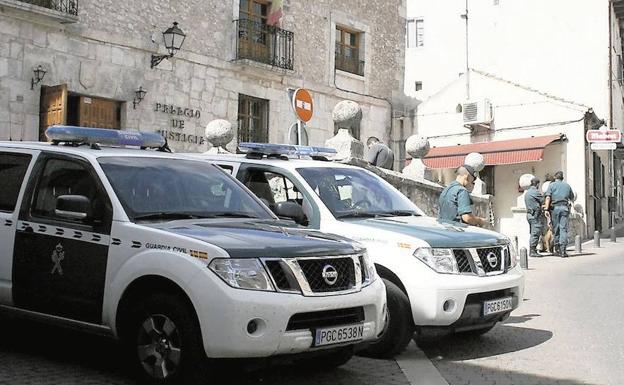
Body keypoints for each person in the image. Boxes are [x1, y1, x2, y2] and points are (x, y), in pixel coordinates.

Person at [544, 171, 574, 258]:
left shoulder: (551, 185)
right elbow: (572, 197)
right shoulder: (567, 186)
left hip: (555, 209)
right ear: (562, 178)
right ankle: (563, 250)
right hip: (564, 208)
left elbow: (548, 197)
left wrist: (546, 209)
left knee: (556, 229)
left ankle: (557, 249)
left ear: (555, 177)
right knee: (563, 229)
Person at [524, 177, 544, 258]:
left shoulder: (527, 192)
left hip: (529, 215)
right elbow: (542, 200)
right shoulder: (535, 192)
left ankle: (533, 249)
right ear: (537, 184)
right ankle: (532, 250)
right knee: (535, 233)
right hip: (535, 215)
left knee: (532, 233)